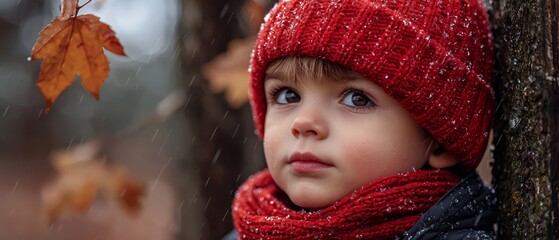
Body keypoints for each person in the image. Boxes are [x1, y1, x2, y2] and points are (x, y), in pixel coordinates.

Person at [225, 0, 496, 239]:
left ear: (440, 140)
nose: (303, 122)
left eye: (357, 99)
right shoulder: (248, 230)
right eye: (287, 96)